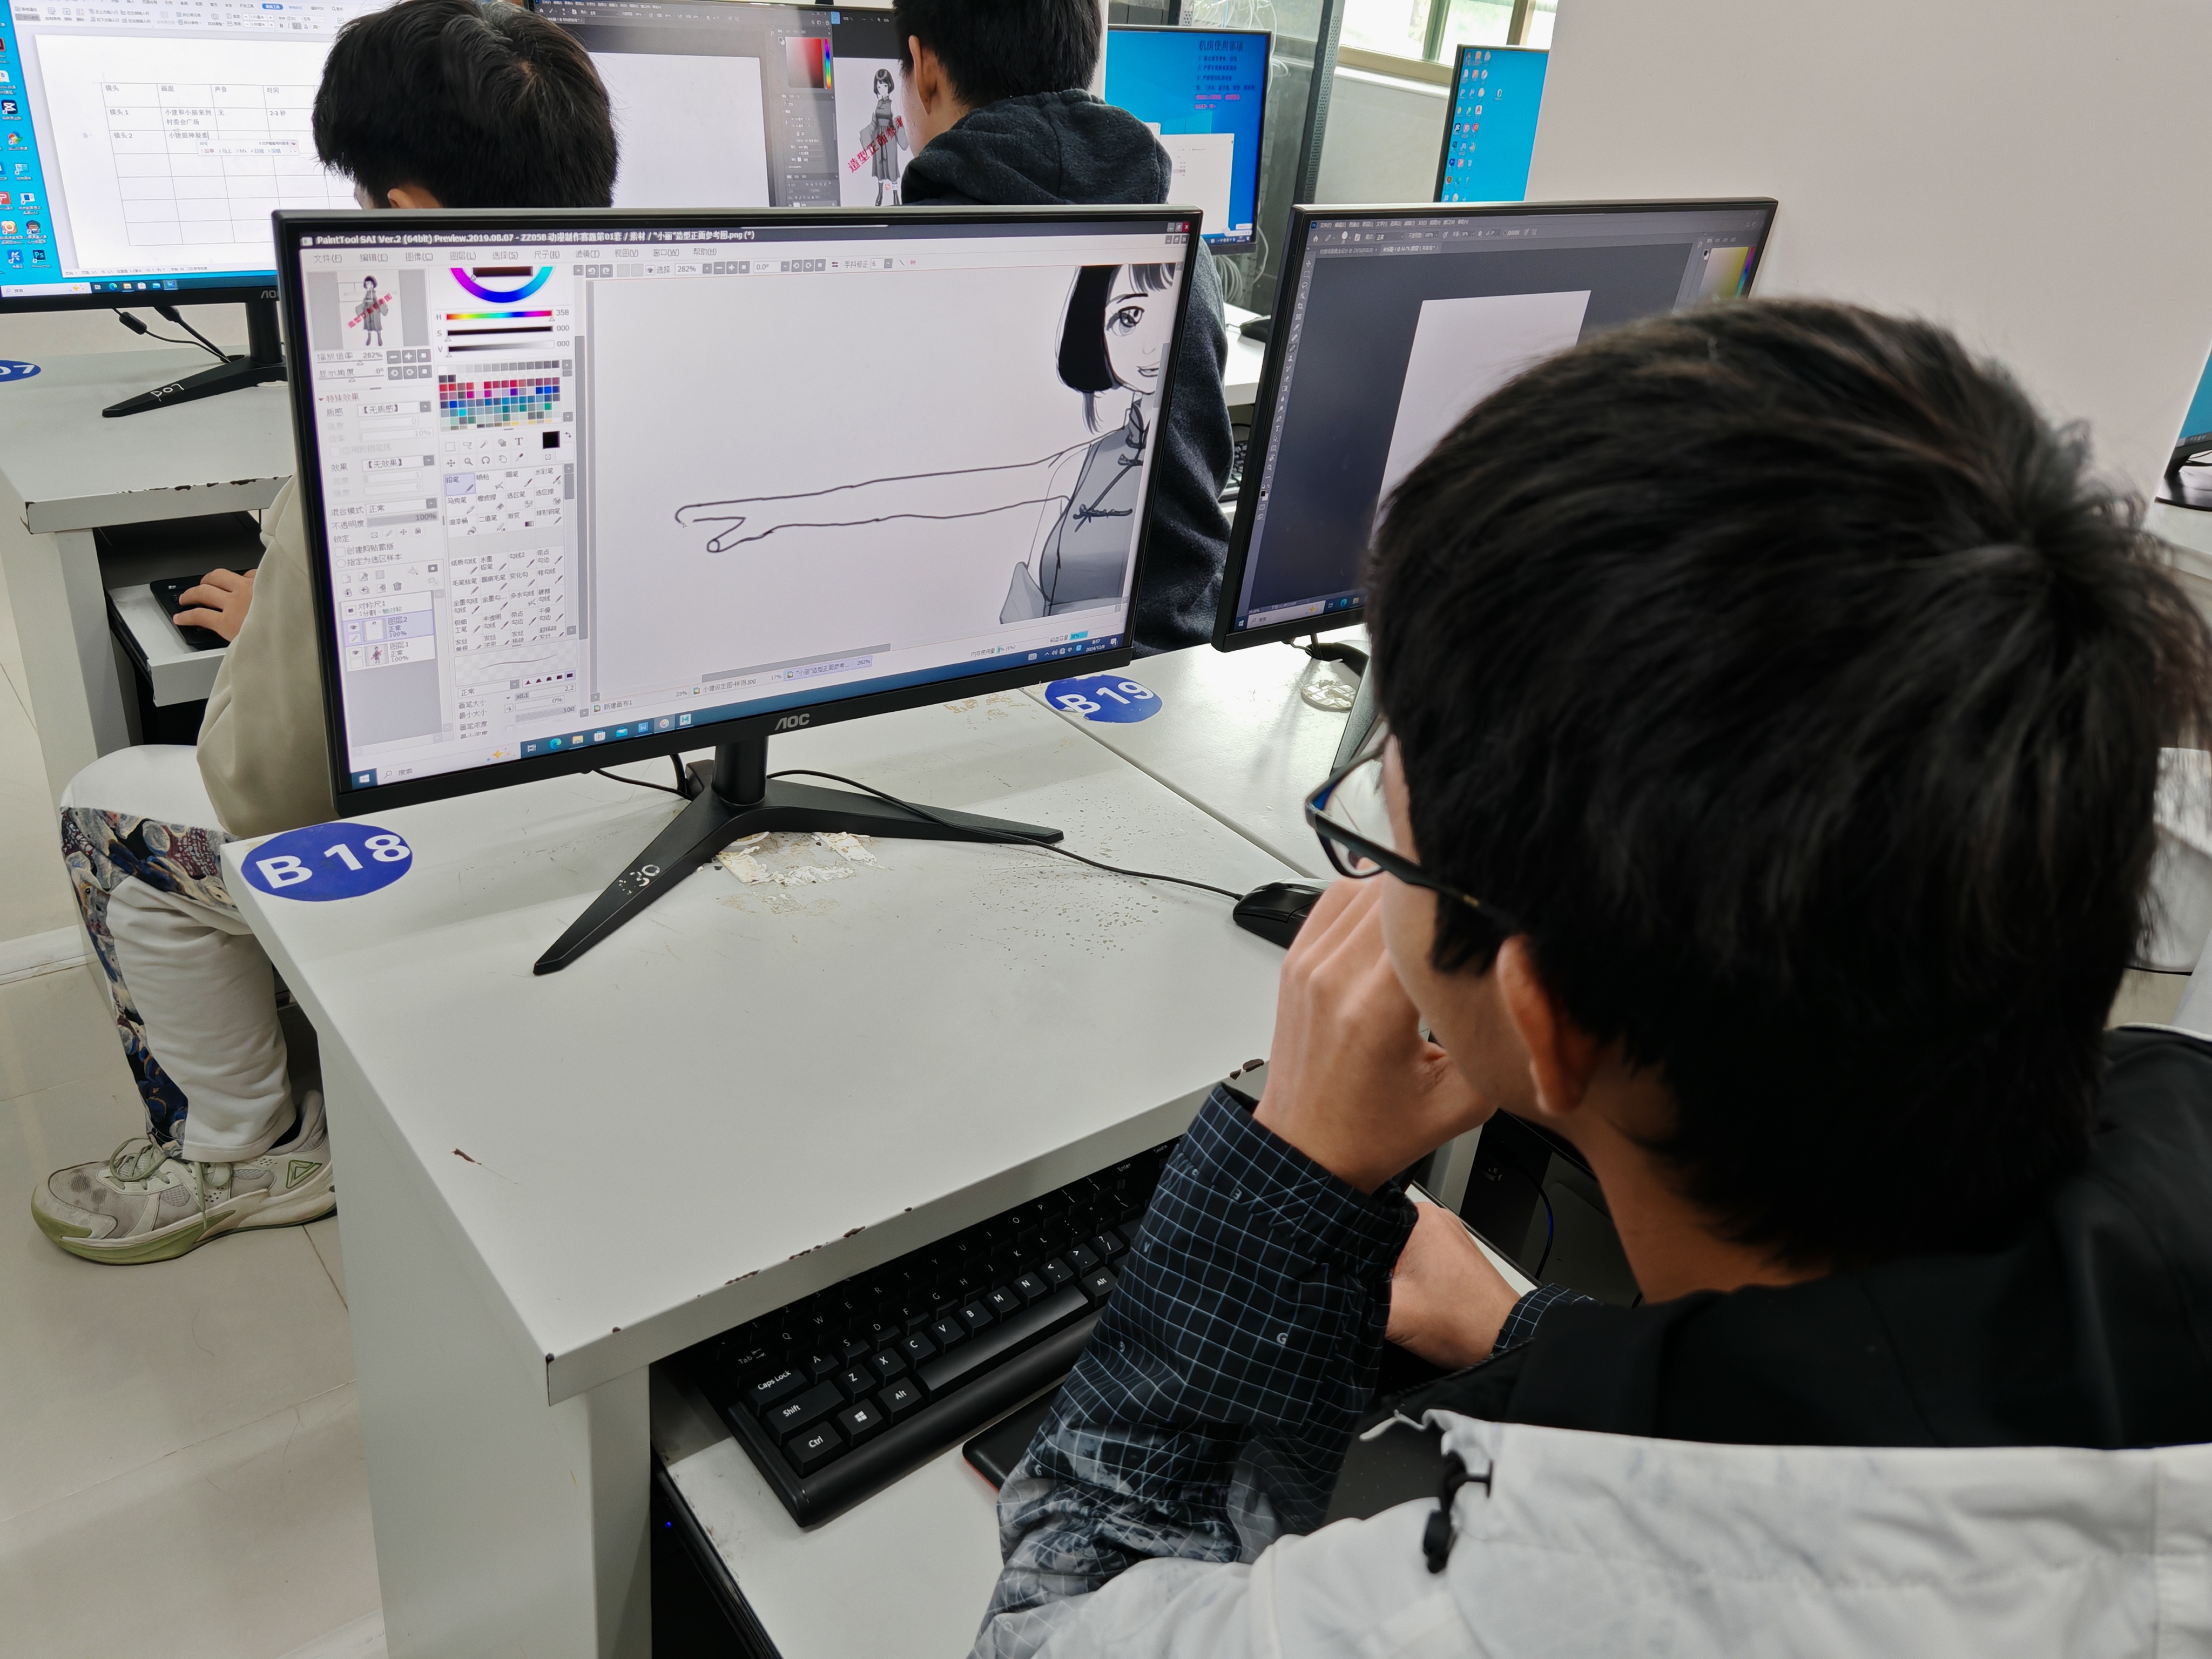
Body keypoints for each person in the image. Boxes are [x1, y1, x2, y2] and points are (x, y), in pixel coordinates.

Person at [968, 299, 2212, 1656]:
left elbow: (1046, 1626)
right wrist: (1533, 1327)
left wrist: (1288, 1180)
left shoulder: (1498, 1620)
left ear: (1548, 1022)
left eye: (1386, 825)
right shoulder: (2171, 1130)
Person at [34, 0, 616, 1265]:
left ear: (403, 217)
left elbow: (269, 791)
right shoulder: (658, 345)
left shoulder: (369, 438)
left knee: (104, 807)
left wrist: (272, 632)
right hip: (629, 827)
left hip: (467, 857)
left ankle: (243, 1148)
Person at [891, 0, 1235, 655]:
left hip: (990, 677)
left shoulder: (916, 259)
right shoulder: (1187, 254)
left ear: (925, 68)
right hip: (1179, 662)